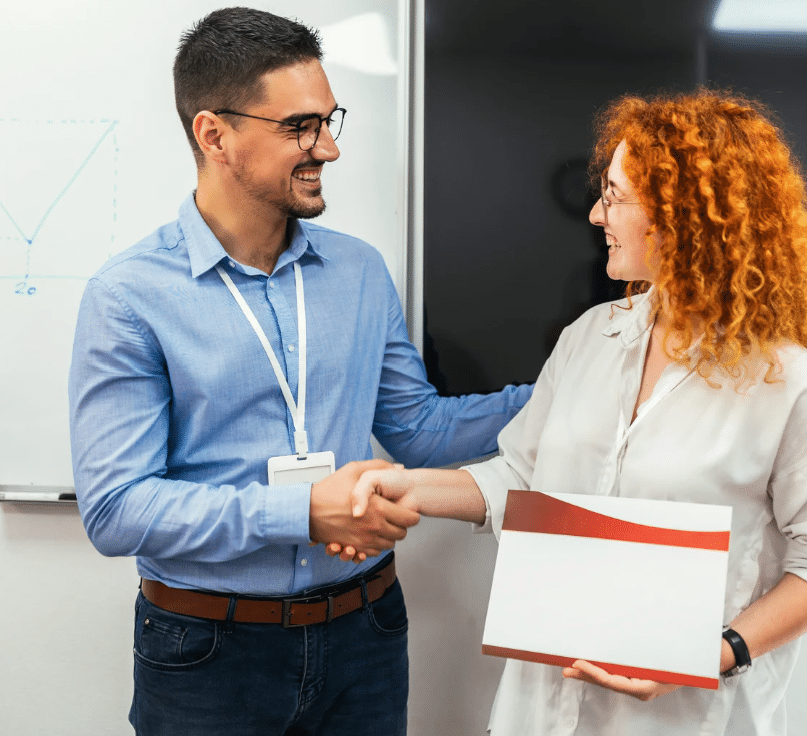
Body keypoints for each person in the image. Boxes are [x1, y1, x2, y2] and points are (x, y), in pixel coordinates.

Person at [341, 89, 807, 735]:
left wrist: (716, 652)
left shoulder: (797, 386)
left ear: (682, 214)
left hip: (687, 717)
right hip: (538, 711)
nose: (597, 214)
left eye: (616, 196)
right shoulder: (591, 335)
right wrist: (408, 486)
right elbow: (525, 481)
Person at [67, 7, 531, 736]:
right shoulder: (130, 297)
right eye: (301, 127)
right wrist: (303, 511)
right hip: (207, 652)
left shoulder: (359, 271)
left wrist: (570, 390)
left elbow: (418, 431)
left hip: (366, 631)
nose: (330, 148)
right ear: (214, 135)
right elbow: (116, 508)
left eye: (330, 119)